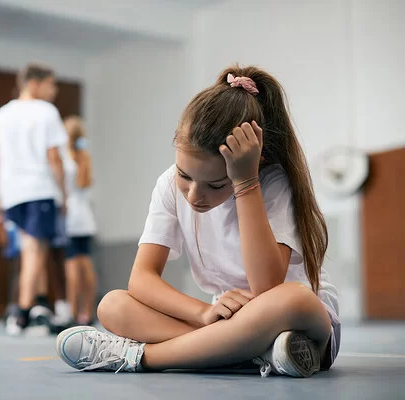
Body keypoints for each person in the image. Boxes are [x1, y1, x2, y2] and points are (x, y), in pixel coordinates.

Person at [56, 65, 340, 378]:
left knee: (293, 298)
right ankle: (254, 353)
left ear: (250, 162)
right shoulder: (166, 185)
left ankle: (143, 356)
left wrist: (246, 183)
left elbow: (267, 286)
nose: (194, 195)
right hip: (228, 321)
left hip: (295, 320)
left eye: (216, 185)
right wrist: (203, 312)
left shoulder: (271, 182)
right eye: (184, 175)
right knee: (113, 305)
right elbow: (142, 279)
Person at [0, 63, 67, 335]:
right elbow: (54, 157)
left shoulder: (1, 114)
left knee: (35, 248)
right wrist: (63, 193)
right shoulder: (46, 112)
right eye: (51, 84)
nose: (54, 90)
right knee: (34, 249)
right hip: (39, 189)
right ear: (34, 83)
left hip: (12, 194)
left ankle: (41, 306)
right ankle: (21, 312)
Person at [62, 116, 98, 326]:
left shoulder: (65, 158)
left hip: (70, 216)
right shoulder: (84, 157)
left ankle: (73, 312)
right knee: (86, 263)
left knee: (72, 265)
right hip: (85, 217)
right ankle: (86, 312)